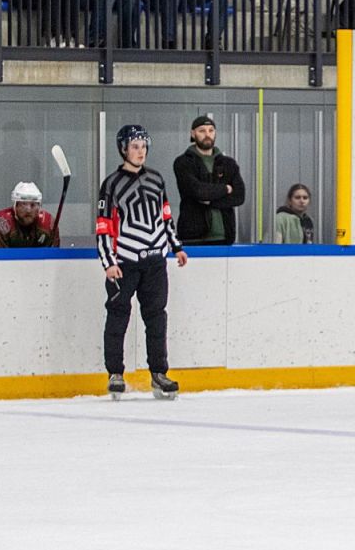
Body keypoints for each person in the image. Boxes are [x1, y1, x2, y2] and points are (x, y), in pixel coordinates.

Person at [96, 124, 188, 400]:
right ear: (123, 149)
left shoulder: (157, 179)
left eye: (144, 146)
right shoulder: (111, 184)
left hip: (155, 261)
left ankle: (159, 373)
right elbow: (103, 226)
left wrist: (176, 246)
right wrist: (108, 262)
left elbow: (166, 217)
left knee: (156, 318)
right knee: (118, 317)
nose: (141, 151)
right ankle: (115, 373)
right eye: (135, 147)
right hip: (124, 262)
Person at [173, 115, 245, 246]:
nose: (207, 134)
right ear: (193, 134)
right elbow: (198, 191)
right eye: (202, 131)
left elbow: (239, 196)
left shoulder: (228, 163)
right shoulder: (183, 162)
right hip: (193, 237)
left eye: (211, 130)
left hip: (225, 237)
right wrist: (225, 189)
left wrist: (208, 200)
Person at [0, 181, 58, 248]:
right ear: (15, 206)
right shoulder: (0, 222)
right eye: (23, 204)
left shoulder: (49, 224)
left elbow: (53, 258)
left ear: (39, 207)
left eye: (33, 205)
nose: (28, 210)